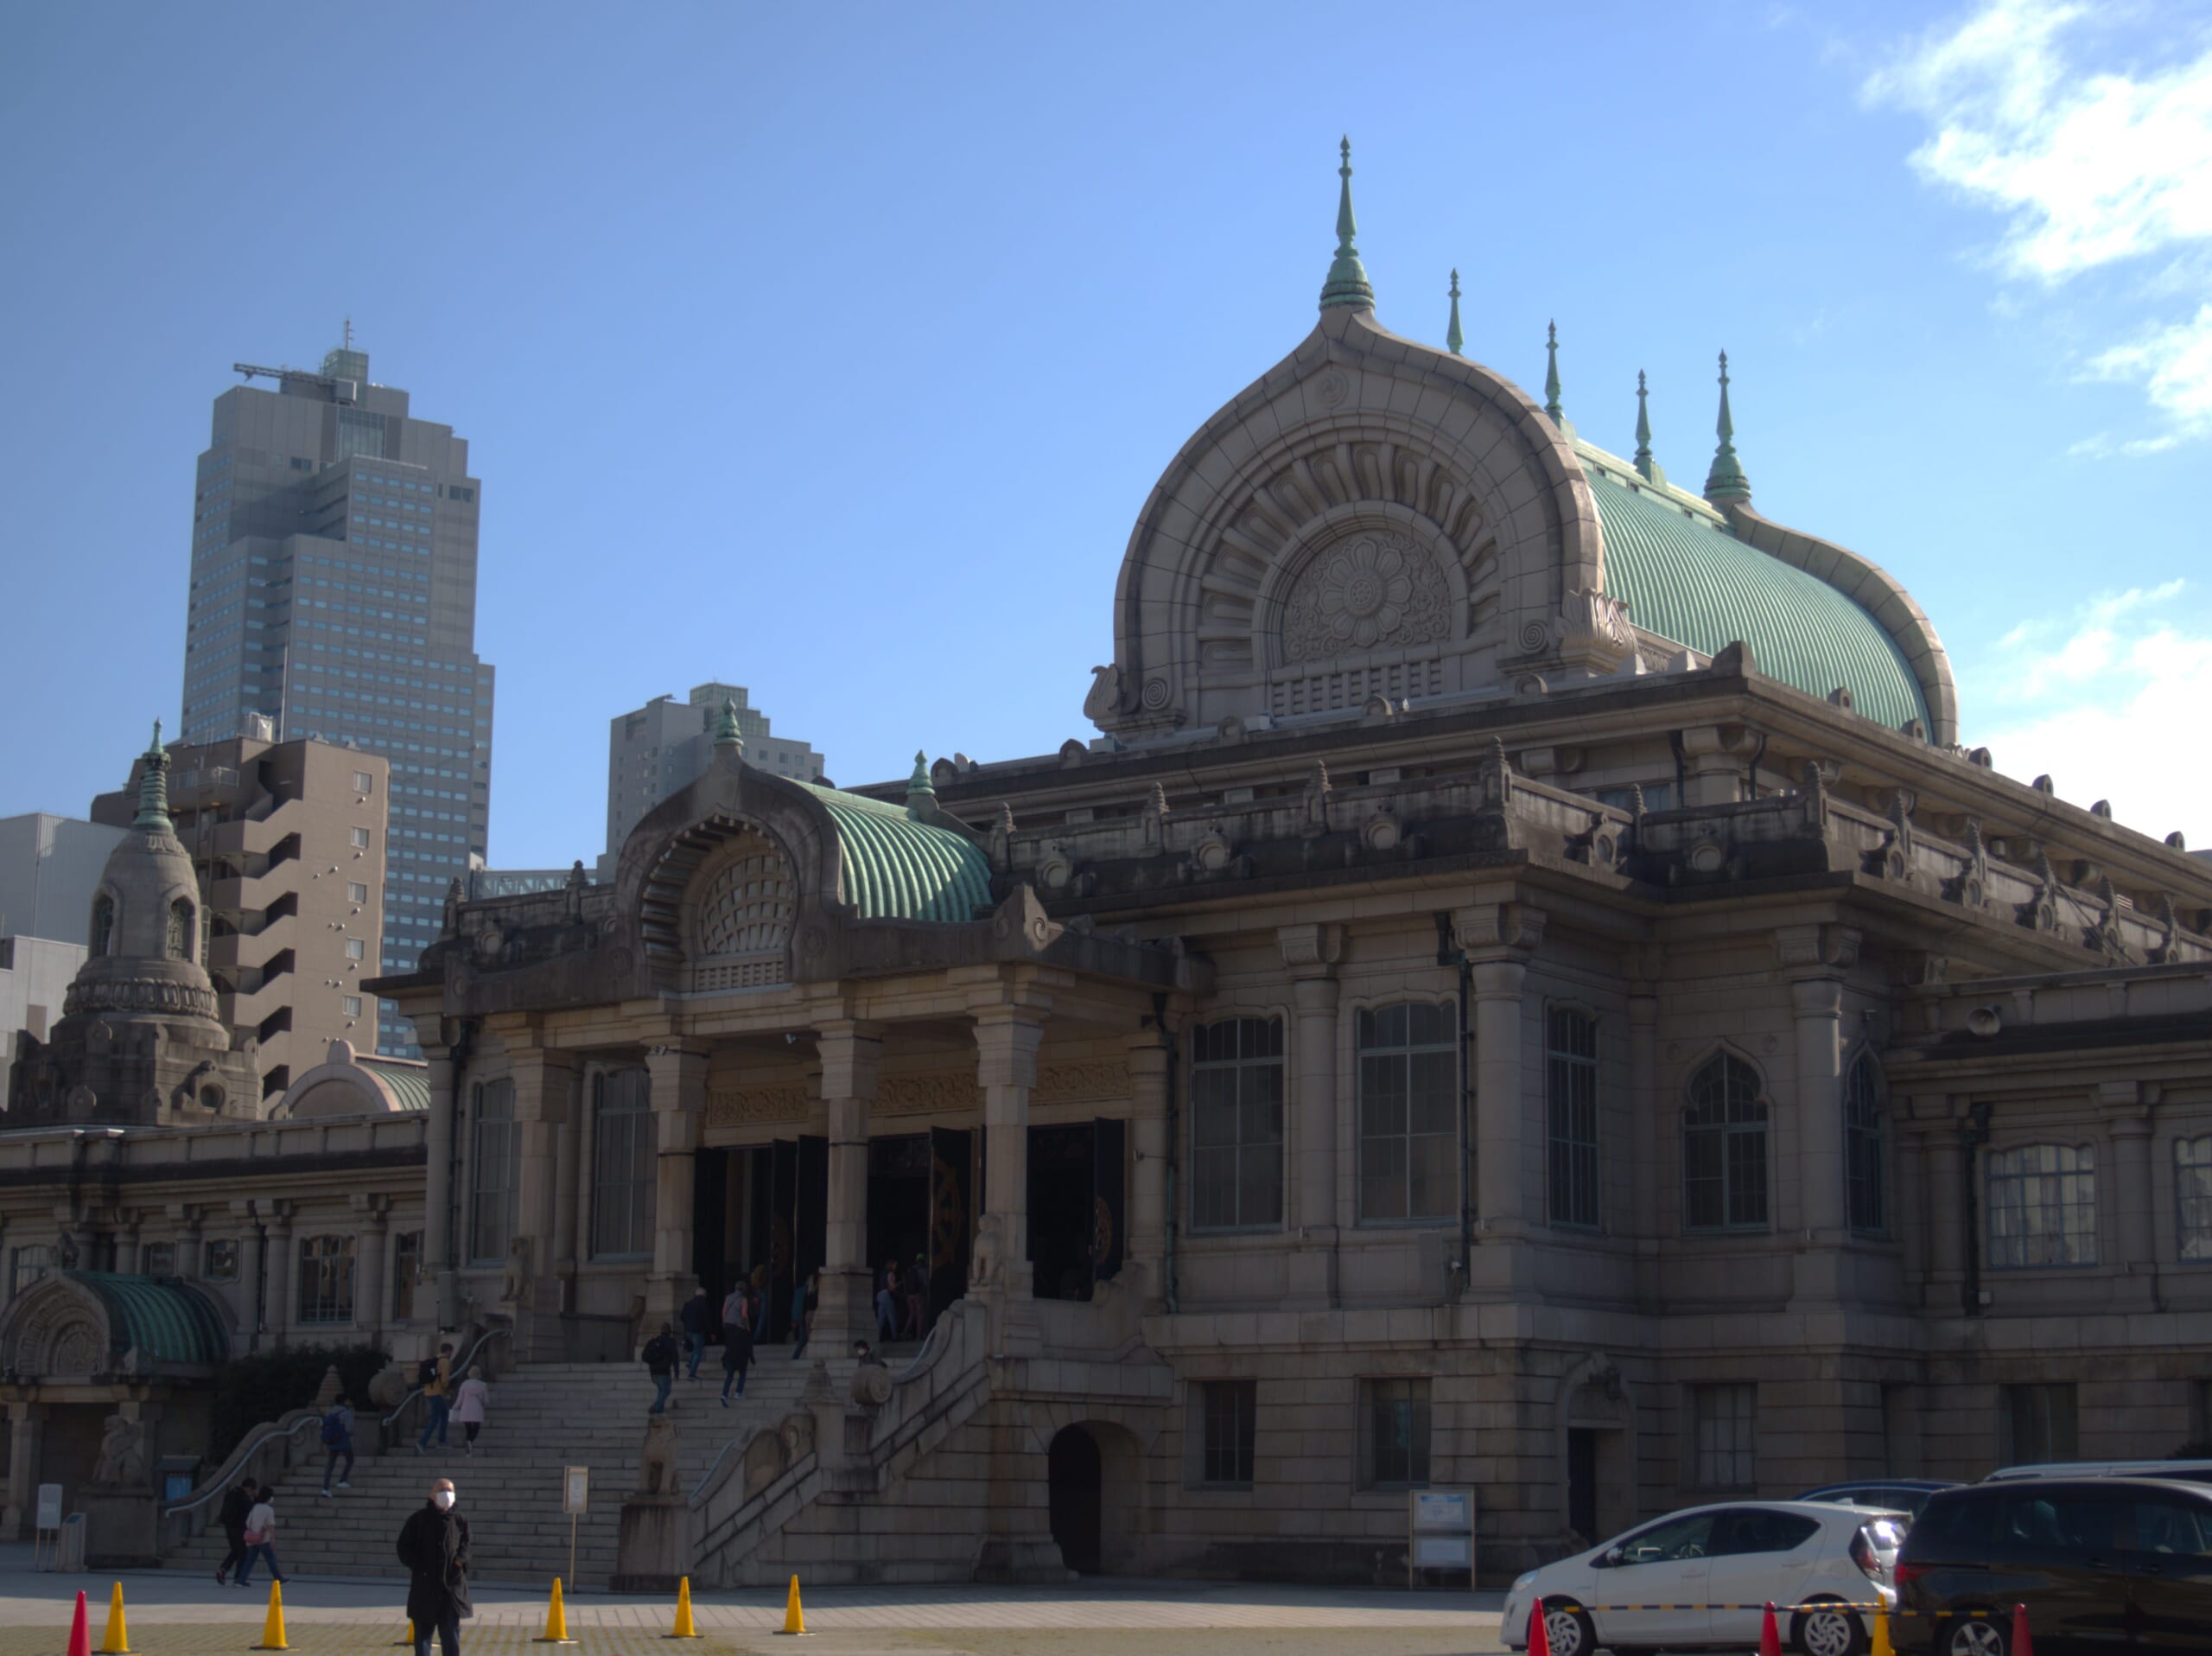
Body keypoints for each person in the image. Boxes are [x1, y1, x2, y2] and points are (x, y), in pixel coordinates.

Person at [396, 1477, 472, 1656]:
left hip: (451, 1588)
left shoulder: (460, 1520)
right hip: (425, 1587)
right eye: (442, 1490)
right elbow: (403, 1547)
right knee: (422, 1638)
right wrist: (419, 1566)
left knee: (451, 1638)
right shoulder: (418, 1520)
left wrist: (460, 1560)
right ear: (432, 1496)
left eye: (450, 1491)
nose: (447, 1494)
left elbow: (467, 1545)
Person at [235, 1487, 283, 1587]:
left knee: (249, 1560)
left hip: (252, 1539)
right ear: (269, 1498)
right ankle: (279, 1578)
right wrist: (272, 1537)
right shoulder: (268, 1509)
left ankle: (241, 1579)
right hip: (264, 1539)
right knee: (270, 1559)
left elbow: (248, 1522)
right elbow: (270, 1524)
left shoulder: (255, 1507)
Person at [213, 1475, 257, 1584]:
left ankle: (223, 1570)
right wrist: (256, 1498)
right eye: (252, 1490)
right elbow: (252, 1508)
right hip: (239, 1528)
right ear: (248, 1487)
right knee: (243, 1552)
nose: (251, 1492)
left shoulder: (231, 1493)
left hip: (229, 1527)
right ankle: (239, 1578)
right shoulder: (242, 1497)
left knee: (236, 1550)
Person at [416, 1341, 454, 1453]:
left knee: (444, 1415)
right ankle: (422, 1443)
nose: (451, 1353)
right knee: (434, 1419)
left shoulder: (435, 1360)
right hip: (437, 1393)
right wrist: (447, 1389)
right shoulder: (445, 1362)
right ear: (448, 1351)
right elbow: (444, 1380)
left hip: (429, 1392)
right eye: (451, 1351)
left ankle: (442, 1441)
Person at [451, 1366, 492, 1455]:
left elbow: (460, 1398)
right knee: (476, 1429)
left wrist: (455, 1407)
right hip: (477, 1409)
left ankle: (468, 1449)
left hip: (466, 1409)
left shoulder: (464, 1384)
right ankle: (470, 1442)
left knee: (468, 1429)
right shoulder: (483, 1385)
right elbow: (486, 1400)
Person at [320, 1395, 356, 1495]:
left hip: (332, 1441)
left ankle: (325, 1488)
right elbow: (349, 1429)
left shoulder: (331, 1412)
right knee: (350, 1460)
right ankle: (342, 1480)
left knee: (330, 1464)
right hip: (343, 1440)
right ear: (344, 1401)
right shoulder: (347, 1413)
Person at [642, 1322, 680, 1412]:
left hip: (653, 1371)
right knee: (666, 1391)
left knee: (661, 1390)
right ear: (670, 1332)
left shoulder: (655, 1341)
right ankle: (655, 1407)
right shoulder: (671, 1342)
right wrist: (676, 1372)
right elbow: (675, 1357)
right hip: (664, 1371)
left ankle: (659, 1411)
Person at [719, 1308, 753, 1406]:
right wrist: (752, 1359)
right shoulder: (746, 1333)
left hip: (730, 1357)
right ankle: (738, 1392)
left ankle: (724, 1395)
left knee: (729, 1376)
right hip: (740, 1357)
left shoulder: (732, 1331)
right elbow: (749, 1347)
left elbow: (727, 1345)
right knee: (742, 1374)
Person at [678, 1287, 710, 1380]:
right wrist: (711, 1332)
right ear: (704, 1295)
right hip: (698, 1330)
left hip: (688, 1331)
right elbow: (707, 1319)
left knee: (696, 1348)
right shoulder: (703, 1303)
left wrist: (689, 1323)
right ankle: (692, 1374)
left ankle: (691, 1362)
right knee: (698, 1351)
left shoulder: (688, 1304)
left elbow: (682, 1317)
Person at [790, 1271, 818, 1360]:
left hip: (803, 1317)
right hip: (809, 1316)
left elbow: (796, 1305)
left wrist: (794, 1319)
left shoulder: (800, 1291)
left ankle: (796, 1356)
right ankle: (795, 1357)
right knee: (805, 1339)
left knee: (804, 1339)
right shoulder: (813, 1292)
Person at [874, 1260, 899, 1342]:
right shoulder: (891, 1274)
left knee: (881, 1318)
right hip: (886, 1295)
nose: (896, 1267)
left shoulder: (882, 1273)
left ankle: (878, 1336)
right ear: (891, 1265)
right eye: (895, 1265)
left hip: (879, 1295)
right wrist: (898, 1285)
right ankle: (895, 1337)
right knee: (892, 1316)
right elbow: (892, 1287)